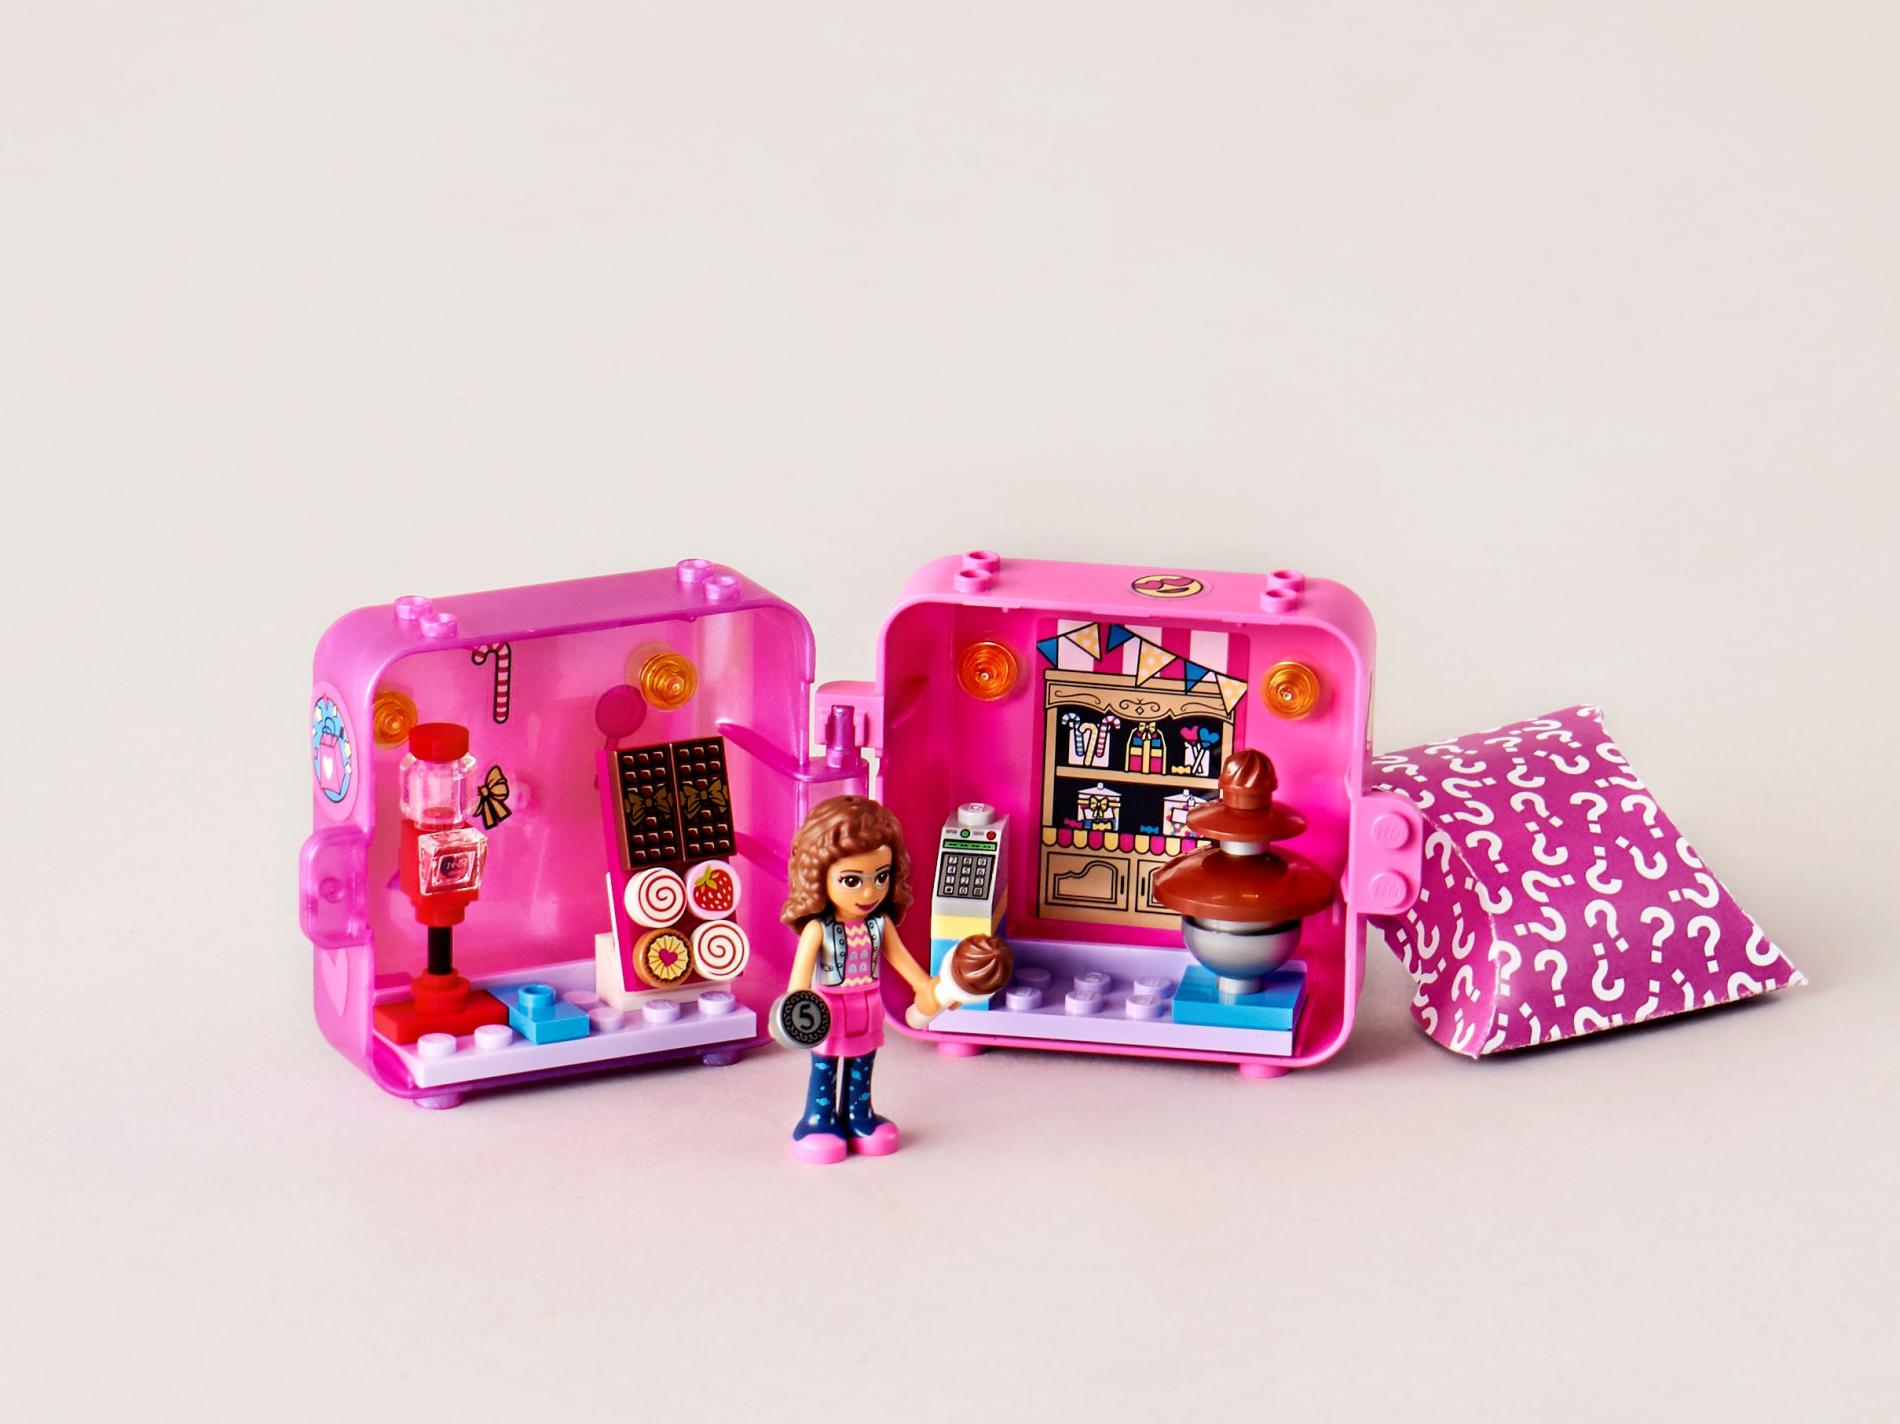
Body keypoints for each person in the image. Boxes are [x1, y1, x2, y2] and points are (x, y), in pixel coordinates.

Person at [780, 796, 939, 1164]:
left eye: (880, 876)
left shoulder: (879, 925)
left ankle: (859, 1116)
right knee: (825, 1066)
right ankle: (818, 1120)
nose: (869, 892)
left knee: (863, 1062)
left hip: (867, 1005)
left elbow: (903, 962)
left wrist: (927, 987)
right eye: (852, 880)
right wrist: (798, 1015)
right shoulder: (818, 930)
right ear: (819, 876)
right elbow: (798, 984)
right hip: (828, 1008)